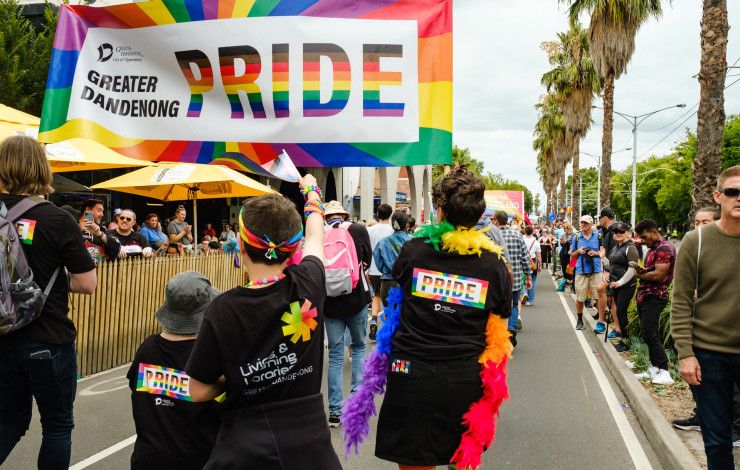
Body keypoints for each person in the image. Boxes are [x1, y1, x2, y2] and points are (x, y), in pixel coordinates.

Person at [345, 167, 512, 469]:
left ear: (441, 209)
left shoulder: (414, 252)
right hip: (464, 378)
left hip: (411, 373)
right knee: (461, 459)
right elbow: (500, 324)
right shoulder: (493, 265)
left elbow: (397, 296)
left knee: (414, 462)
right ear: (478, 215)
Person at [186, 176, 341, 469]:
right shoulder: (309, 283)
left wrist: (240, 376)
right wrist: (311, 192)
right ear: (294, 250)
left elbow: (196, 390)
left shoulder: (223, 309)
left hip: (244, 449)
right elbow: (317, 233)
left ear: (241, 246)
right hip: (311, 449)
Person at [0, 135, 97, 469]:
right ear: (42, 168)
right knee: (57, 426)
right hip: (48, 338)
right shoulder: (57, 219)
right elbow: (87, 283)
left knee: (9, 421)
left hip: (3, 337)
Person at [671, 166, 740, 467]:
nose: (739, 198)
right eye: (732, 192)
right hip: (710, 356)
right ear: (718, 196)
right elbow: (681, 300)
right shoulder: (695, 241)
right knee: (717, 440)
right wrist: (685, 353)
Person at [127, 271, 221, 470]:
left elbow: (136, 388)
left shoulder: (147, 349)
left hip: (149, 459)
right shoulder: (210, 354)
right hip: (199, 459)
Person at [322, 200, 372, 427]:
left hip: (330, 304)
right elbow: (367, 261)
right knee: (360, 347)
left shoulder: (319, 234)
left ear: (326, 217)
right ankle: (358, 406)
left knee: (335, 356)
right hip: (357, 299)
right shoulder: (358, 230)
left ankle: (334, 412)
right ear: (343, 214)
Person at [632, 219, 675, 386]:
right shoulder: (653, 248)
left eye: (644, 236)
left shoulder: (665, 248)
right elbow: (653, 271)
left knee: (650, 333)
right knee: (647, 333)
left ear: (654, 232)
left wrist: (639, 275)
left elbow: (659, 275)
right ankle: (654, 367)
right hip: (646, 295)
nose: (642, 240)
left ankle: (664, 370)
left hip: (655, 296)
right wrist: (642, 271)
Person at [492, 210, 531, 344]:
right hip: (515, 279)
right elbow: (525, 258)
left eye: (493, 220)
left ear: (496, 221)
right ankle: (512, 329)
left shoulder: (491, 236)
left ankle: (498, 335)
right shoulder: (517, 235)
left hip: (497, 280)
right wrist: (528, 276)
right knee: (514, 304)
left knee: (496, 307)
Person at [605, 222, 639, 352]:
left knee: (621, 312)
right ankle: (624, 339)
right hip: (615, 284)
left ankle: (626, 341)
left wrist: (620, 283)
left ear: (628, 233)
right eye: (616, 232)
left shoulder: (631, 248)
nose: (618, 234)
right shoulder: (615, 248)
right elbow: (611, 265)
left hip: (626, 285)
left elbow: (633, 269)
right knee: (619, 311)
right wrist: (601, 257)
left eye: (621, 232)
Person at [569, 215, 602, 331]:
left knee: (599, 296)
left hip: (596, 270)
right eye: (581, 223)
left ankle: (600, 319)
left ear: (591, 224)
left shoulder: (598, 236)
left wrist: (595, 253)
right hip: (581, 271)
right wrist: (578, 251)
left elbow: (603, 252)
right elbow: (571, 253)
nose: (583, 225)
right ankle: (579, 319)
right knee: (580, 297)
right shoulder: (576, 237)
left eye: (585, 223)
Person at [366, 203, 394, 341]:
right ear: (390, 214)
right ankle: (388, 329)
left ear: (377, 214)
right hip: (388, 270)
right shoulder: (393, 231)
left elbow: (367, 250)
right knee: (390, 300)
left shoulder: (370, 230)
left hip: (373, 268)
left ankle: (373, 320)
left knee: (376, 296)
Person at [373, 211, 412, 304]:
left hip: (388, 283)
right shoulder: (412, 241)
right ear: (406, 225)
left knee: (390, 315)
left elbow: (379, 265)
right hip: (408, 282)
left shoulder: (383, 242)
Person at [79, 198, 121, 264]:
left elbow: (117, 247)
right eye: (99, 210)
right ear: (88, 210)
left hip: (102, 271)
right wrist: (79, 230)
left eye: (102, 211)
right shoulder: (73, 226)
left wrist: (100, 234)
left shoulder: (102, 229)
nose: (102, 214)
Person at [595, 208, 617, 329]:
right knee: (609, 297)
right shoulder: (607, 230)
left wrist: (603, 257)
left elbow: (614, 254)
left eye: (600, 218)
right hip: (609, 268)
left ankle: (602, 322)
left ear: (605, 218)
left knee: (602, 290)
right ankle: (603, 321)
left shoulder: (614, 231)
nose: (599, 220)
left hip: (613, 269)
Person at [522, 225, 541, 306]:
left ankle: (524, 294)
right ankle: (531, 299)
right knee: (533, 279)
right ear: (533, 232)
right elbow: (538, 255)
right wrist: (539, 265)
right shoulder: (536, 242)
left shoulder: (521, 239)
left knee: (523, 279)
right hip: (532, 261)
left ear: (525, 231)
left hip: (523, 260)